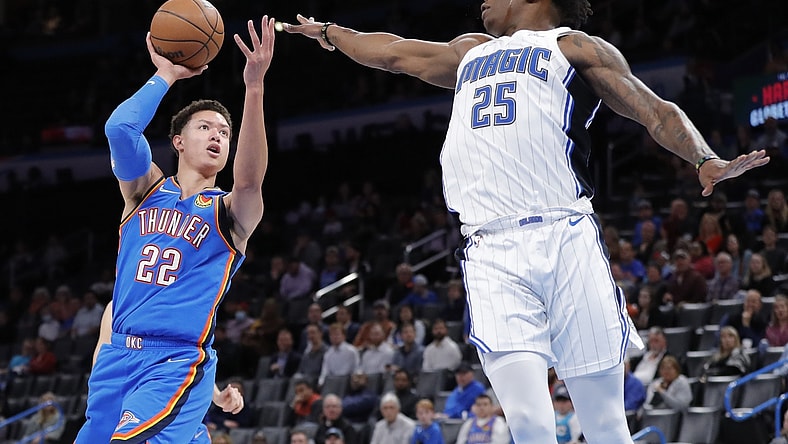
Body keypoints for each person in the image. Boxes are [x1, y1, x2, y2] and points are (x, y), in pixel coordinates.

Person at [284, 2, 769, 442]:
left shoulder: (573, 47)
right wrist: (329, 31)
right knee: (531, 424)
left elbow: (655, 111)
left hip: (567, 235)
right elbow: (392, 52)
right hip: (491, 249)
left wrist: (704, 159)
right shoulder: (470, 51)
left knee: (604, 421)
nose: (482, 2)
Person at [75, 16, 275, 442]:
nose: (218, 135)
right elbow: (119, 130)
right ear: (178, 141)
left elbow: (250, 181)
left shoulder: (228, 213)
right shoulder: (144, 191)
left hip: (175, 364)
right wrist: (166, 73)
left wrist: (253, 88)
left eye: (225, 131)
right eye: (205, 127)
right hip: (117, 358)